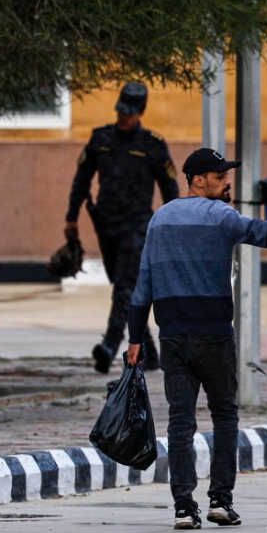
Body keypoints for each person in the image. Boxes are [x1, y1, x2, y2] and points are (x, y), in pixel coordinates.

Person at [125, 147, 267, 529]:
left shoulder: (160, 219)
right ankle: (220, 500)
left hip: (172, 338)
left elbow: (143, 285)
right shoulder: (221, 215)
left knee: (181, 423)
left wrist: (136, 337)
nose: (227, 181)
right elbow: (258, 231)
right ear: (198, 180)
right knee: (224, 416)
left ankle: (184, 507)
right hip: (215, 335)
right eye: (220, 177)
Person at [66, 82, 179, 373]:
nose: (123, 117)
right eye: (121, 111)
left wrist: (172, 227)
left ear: (141, 112)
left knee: (124, 288)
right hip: (107, 226)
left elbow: (170, 190)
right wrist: (71, 217)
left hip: (137, 226)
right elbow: (81, 179)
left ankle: (109, 345)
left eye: (129, 113)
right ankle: (151, 353)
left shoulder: (152, 145)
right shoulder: (100, 138)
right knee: (125, 288)